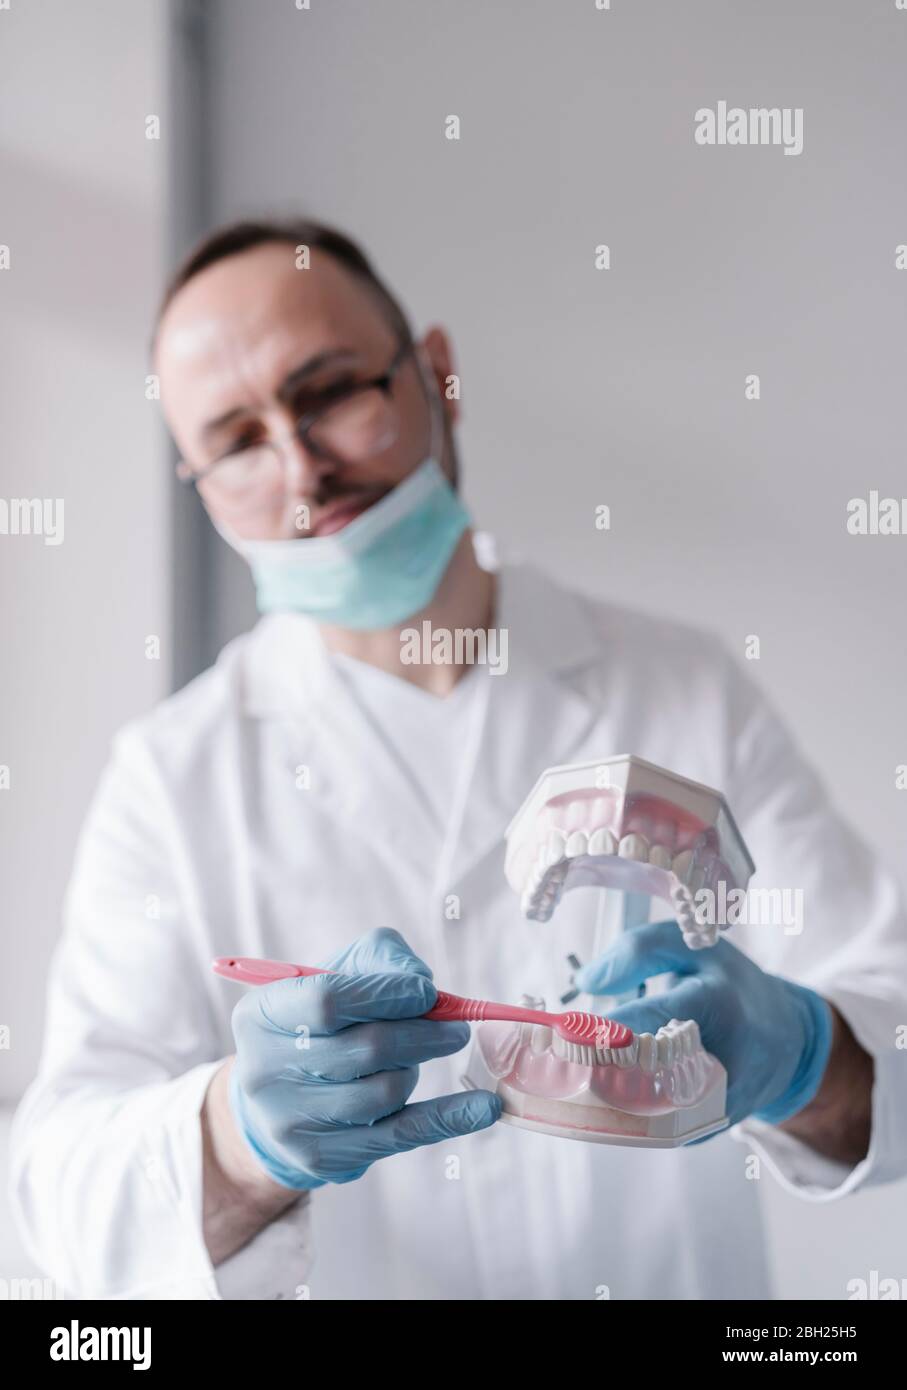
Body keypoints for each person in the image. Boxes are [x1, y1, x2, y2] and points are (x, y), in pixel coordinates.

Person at [11, 219, 907, 1300]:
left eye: (332, 390)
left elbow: (891, 1021)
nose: (303, 470)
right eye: (238, 441)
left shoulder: (683, 687)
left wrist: (802, 1048)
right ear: (201, 486)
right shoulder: (171, 777)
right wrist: (240, 1137)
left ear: (435, 373)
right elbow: (58, 1193)